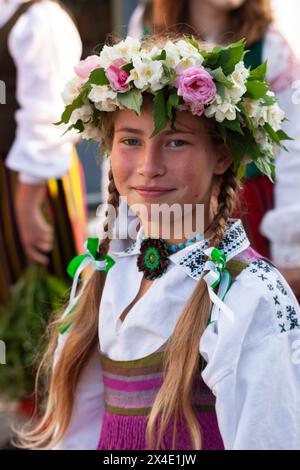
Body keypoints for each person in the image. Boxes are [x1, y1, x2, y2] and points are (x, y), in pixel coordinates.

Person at [16, 35, 300, 450]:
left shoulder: (247, 295)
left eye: (177, 142)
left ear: (222, 156)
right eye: (131, 140)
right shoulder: (108, 272)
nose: (149, 167)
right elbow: (80, 432)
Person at [127, 0, 300, 299]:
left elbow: (293, 147)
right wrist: (120, 224)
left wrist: (290, 251)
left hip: (244, 209)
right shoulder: (147, 25)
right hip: (165, 203)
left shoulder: (270, 45)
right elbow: (126, 131)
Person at [0, 0, 87, 305]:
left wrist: (27, 205)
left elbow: (50, 115)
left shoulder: (42, 18)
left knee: (50, 292)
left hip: (33, 178)